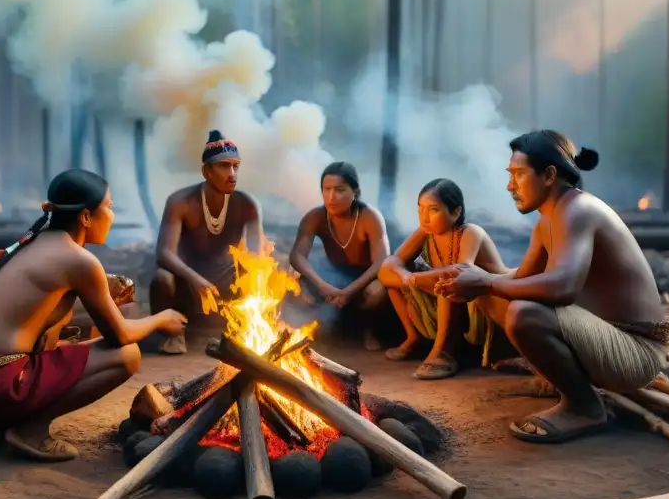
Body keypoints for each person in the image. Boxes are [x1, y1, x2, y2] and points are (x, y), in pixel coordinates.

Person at [435, 130, 669, 444]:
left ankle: (584, 407)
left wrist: (487, 281)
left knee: (523, 313)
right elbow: (519, 280)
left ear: (549, 175)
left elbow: (562, 288)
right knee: (493, 296)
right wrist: (473, 280)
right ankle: (563, 382)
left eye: (519, 175)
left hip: (635, 352)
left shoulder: (577, 210)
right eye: (510, 176)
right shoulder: (548, 219)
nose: (510, 186)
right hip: (604, 336)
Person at [0, 169, 187, 462]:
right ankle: (29, 430)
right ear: (85, 217)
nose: (112, 215)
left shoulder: (33, 242)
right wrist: (162, 318)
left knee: (66, 338)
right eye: (109, 206)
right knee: (126, 355)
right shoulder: (78, 261)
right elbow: (120, 335)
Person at [378, 179, 509, 380]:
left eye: (433, 210)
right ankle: (413, 337)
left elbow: (462, 273)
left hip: (490, 302)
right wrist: (406, 277)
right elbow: (390, 263)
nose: (425, 218)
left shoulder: (470, 232)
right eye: (420, 210)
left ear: (456, 212)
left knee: (447, 281)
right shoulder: (426, 233)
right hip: (459, 301)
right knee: (396, 280)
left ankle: (444, 352)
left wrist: (415, 278)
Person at [150, 130, 264, 352]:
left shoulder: (247, 204)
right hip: (187, 283)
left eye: (235, 166)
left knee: (262, 274)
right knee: (162, 278)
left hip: (225, 283)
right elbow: (164, 254)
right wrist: (195, 279)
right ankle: (173, 333)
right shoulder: (180, 202)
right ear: (206, 172)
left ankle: (245, 333)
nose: (232, 174)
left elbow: (257, 257)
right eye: (223, 166)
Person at [288, 162, 391, 350]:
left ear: (355, 192)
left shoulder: (370, 216)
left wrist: (350, 291)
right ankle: (321, 326)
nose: (331, 197)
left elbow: (382, 261)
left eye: (340, 190)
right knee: (293, 282)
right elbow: (297, 256)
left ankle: (370, 330)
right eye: (326, 190)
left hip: (366, 277)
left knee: (379, 290)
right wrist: (322, 285)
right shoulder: (316, 216)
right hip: (333, 276)